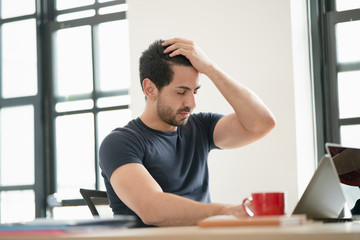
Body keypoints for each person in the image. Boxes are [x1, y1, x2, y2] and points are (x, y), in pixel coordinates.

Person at [99, 38, 276, 227]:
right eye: (181, 92)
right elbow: (153, 209)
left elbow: (261, 123)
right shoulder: (119, 143)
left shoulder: (201, 127)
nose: (192, 104)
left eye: (195, 92)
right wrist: (226, 211)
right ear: (150, 89)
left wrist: (210, 68)